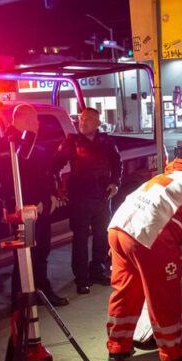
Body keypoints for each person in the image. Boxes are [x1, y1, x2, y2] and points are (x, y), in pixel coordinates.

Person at [106, 155, 182, 361]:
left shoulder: (171, 174)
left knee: (125, 289)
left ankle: (117, 346)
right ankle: (172, 350)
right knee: (164, 295)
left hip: (119, 227)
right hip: (150, 235)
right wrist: (180, 256)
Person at [0, 104, 68, 307]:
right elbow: (11, 179)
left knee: (41, 250)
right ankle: (21, 300)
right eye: (35, 119)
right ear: (25, 119)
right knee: (25, 255)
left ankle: (41, 290)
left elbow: (42, 171)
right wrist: (33, 203)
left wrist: (50, 195)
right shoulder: (8, 143)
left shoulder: (27, 140)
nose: (38, 124)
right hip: (26, 211)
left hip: (40, 208)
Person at [53, 107, 122, 294]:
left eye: (89, 119)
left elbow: (117, 163)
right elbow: (55, 165)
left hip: (102, 196)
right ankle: (81, 278)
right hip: (80, 198)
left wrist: (115, 183)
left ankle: (97, 270)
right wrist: (57, 186)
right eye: (82, 119)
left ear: (98, 123)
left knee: (101, 236)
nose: (83, 122)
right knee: (80, 239)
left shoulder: (106, 141)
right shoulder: (71, 142)